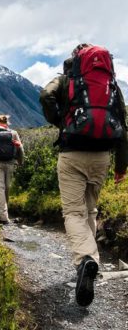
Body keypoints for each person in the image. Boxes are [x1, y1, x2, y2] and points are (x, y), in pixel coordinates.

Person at [40, 43, 128, 307]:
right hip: (101, 156)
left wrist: (60, 121)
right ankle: (90, 261)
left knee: (73, 213)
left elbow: (45, 95)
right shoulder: (110, 84)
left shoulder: (68, 79)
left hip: (72, 153)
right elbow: (123, 124)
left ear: (76, 59)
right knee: (90, 211)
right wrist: (122, 166)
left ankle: (85, 260)